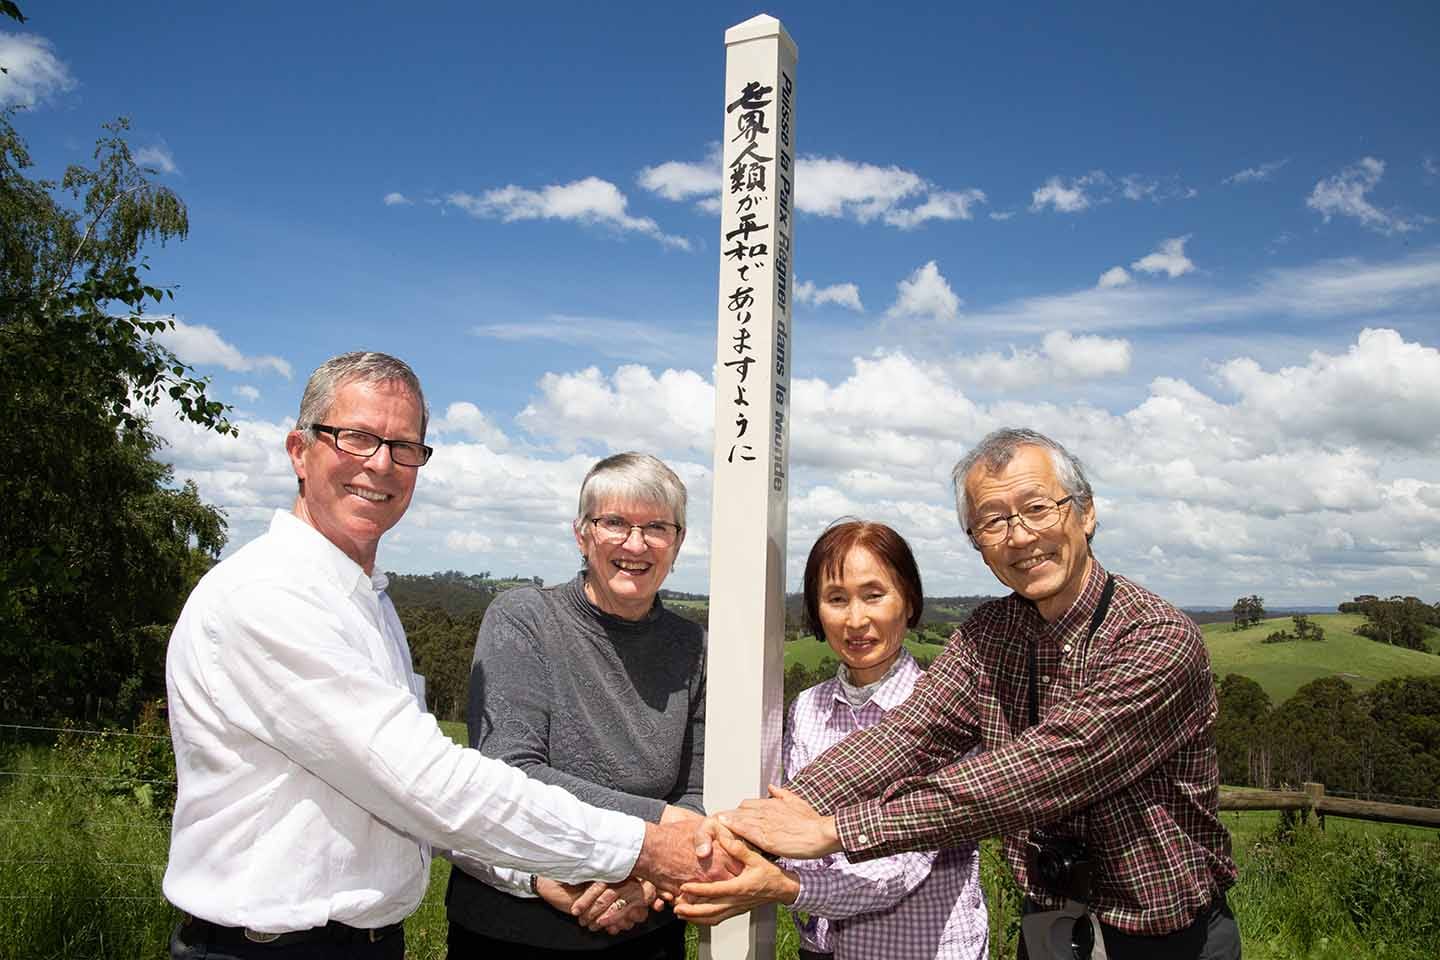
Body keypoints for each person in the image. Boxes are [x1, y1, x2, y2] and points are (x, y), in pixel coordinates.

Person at [163, 353, 714, 960]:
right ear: (299, 449)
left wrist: (546, 871)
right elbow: (430, 786)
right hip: (268, 946)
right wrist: (647, 844)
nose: (381, 464)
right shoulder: (269, 597)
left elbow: (434, 800)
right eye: (357, 437)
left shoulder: (364, 603)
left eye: (404, 447)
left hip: (362, 941)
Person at [710, 428, 1240, 960]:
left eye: (1037, 508)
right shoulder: (989, 634)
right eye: (993, 521)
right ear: (977, 542)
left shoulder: (1157, 637)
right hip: (1051, 924)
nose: (1020, 536)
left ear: (1085, 514)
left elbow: (1045, 770)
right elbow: (907, 734)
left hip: (1167, 937)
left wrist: (836, 830)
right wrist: (755, 825)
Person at [678, 520, 988, 960]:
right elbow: (790, 826)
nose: (855, 619)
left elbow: (897, 871)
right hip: (821, 949)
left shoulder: (945, 713)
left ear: (910, 601)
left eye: (874, 595)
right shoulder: (808, 708)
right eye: (837, 599)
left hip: (917, 949)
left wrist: (789, 887)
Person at [445, 452, 705, 959]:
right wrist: (657, 831)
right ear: (582, 534)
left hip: (645, 930)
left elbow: (695, 793)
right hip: (514, 930)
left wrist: (648, 879)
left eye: (656, 526)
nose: (635, 543)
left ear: (678, 543)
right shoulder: (524, 619)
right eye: (614, 523)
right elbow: (512, 772)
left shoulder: (693, 646)